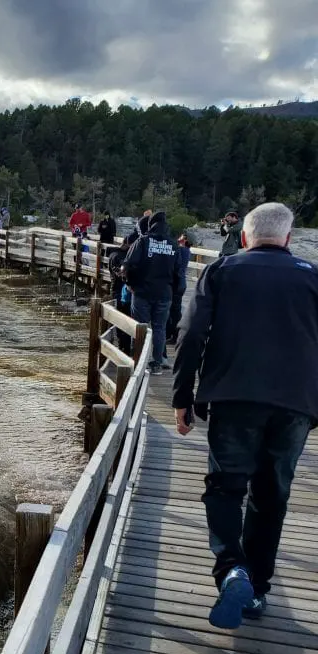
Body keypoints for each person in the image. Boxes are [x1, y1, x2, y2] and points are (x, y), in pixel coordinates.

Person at [172, 202, 318, 629]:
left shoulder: (222, 271)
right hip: (295, 404)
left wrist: (183, 396)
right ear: (288, 239)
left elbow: (191, 331)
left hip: (234, 397)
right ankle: (257, 589)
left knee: (224, 489)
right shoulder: (313, 278)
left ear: (245, 236)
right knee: (271, 498)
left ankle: (232, 569)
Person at [121, 211, 181, 374]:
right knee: (159, 328)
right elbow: (179, 272)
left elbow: (128, 265)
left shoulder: (143, 241)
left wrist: (130, 284)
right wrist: (173, 292)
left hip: (142, 292)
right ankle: (156, 363)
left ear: (150, 224)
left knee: (139, 327)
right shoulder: (174, 244)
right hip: (164, 293)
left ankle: (138, 361)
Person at [167, 234, 192, 343]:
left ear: (185, 240)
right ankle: (174, 334)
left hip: (176, 283)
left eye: (182, 236)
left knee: (174, 311)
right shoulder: (186, 251)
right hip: (181, 283)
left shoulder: (181, 250)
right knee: (175, 310)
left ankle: (175, 335)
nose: (179, 236)